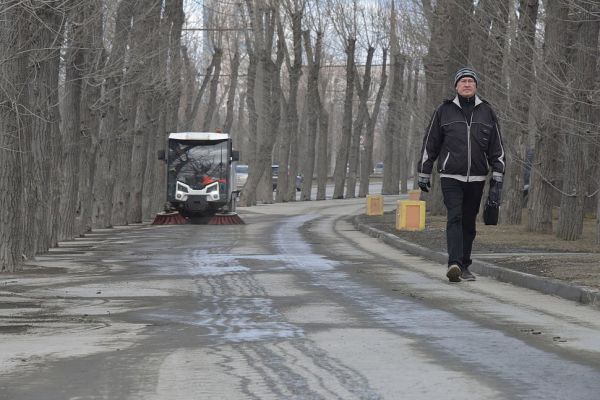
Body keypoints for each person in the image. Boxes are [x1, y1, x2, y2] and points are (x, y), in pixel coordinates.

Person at [416, 67, 505, 282]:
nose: (467, 84)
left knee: (468, 222)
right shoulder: (443, 111)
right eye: (463, 81)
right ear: (456, 86)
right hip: (450, 176)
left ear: (476, 86)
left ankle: (465, 265)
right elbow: (431, 143)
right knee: (454, 217)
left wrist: (498, 174)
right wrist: (424, 172)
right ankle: (454, 263)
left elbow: (497, 147)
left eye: (470, 81)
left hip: (477, 177)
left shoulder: (487, 111)